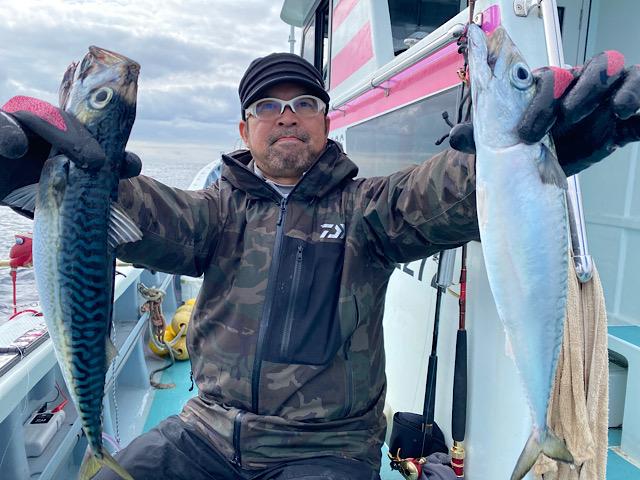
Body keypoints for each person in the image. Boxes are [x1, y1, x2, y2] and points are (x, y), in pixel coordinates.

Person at [1, 49, 639, 480]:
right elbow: (134, 214)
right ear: (244, 130)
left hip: (327, 448)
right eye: (266, 106)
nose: (286, 115)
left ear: (326, 121)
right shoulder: (213, 212)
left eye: (303, 102)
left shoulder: (370, 210)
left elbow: (451, 191)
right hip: (205, 431)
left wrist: (526, 144)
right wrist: (44, 176)